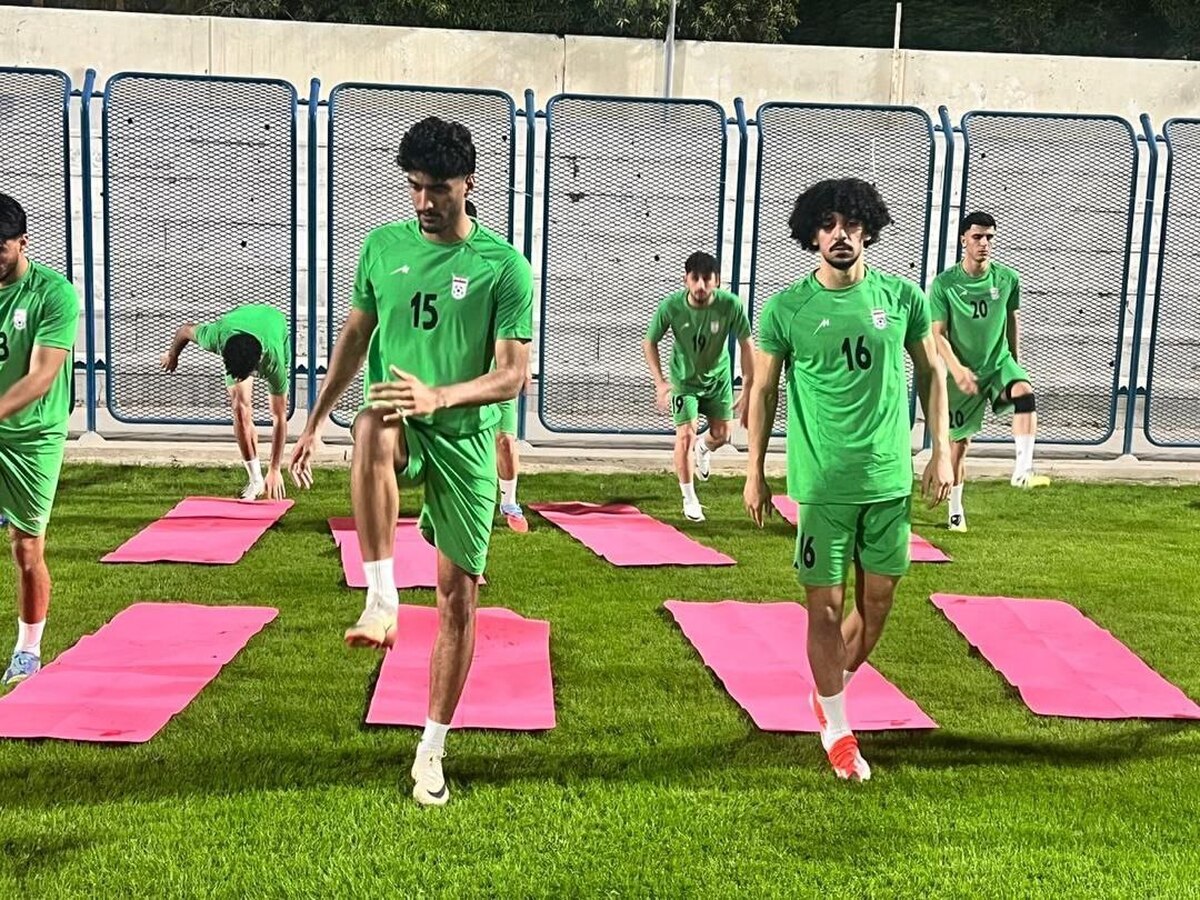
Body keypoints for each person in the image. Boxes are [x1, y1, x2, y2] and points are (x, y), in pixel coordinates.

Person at [289, 116, 533, 807]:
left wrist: (441, 396)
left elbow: (513, 375)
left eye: (439, 190)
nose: (425, 202)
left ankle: (431, 748)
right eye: (415, 187)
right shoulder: (381, 246)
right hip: (400, 418)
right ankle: (382, 598)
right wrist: (314, 421)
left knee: (458, 597)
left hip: (465, 437)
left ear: (469, 184)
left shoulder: (503, 267)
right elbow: (354, 337)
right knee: (370, 423)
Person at [742, 178, 953, 782]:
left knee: (877, 605)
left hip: (888, 479)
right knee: (825, 610)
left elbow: (932, 374)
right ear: (812, 234)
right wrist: (754, 472)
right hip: (823, 486)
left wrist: (941, 452)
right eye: (829, 224)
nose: (840, 235)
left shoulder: (902, 297)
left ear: (868, 230)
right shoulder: (787, 309)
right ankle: (837, 727)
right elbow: (763, 391)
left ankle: (827, 690)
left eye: (852, 224)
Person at [0, 193, 81, 688]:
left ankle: (27, 651)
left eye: (0, 247)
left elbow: (40, 377)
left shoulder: (54, 295)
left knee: (26, 549)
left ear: (22, 242)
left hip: (33, 436)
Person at [930, 212, 1049, 532]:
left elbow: (1012, 319)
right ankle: (955, 510)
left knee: (1024, 393)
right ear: (963, 240)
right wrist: (957, 370)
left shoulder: (1008, 278)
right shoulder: (944, 284)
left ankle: (1022, 470)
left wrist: (1015, 363)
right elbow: (937, 333)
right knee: (959, 446)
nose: (984, 243)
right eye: (977, 237)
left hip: (998, 363)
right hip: (962, 373)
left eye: (989, 237)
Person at [643, 252, 754, 522]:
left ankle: (704, 448)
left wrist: (749, 386)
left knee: (722, 434)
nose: (701, 285)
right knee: (685, 435)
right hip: (684, 382)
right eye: (695, 278)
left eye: (707, 279)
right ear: (686, 279)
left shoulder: (730, 305)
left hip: (718, 380)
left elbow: (746, 344)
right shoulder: (671, 306)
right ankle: (690, 498)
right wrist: (660, 382)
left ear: (717, 280)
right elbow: (649, 342)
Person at [161, 304, 290, 500]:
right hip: (236, 323)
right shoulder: (217, 336)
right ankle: (255, 480)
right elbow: (184, 331)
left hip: (274, 323)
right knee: (240, 409)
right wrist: (172, 355)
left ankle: (264, 474)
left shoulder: (273, 361)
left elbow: (279, 418)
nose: (237, 379)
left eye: (241, 376)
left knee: (277, 408)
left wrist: (275, 468)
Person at [464, 199, 528, 534]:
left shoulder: (499, 265)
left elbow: (518, 320)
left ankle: (509, 502)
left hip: (498, 372)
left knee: (505, 440)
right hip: (461, 375)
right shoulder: (437, 270)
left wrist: (523, 365)